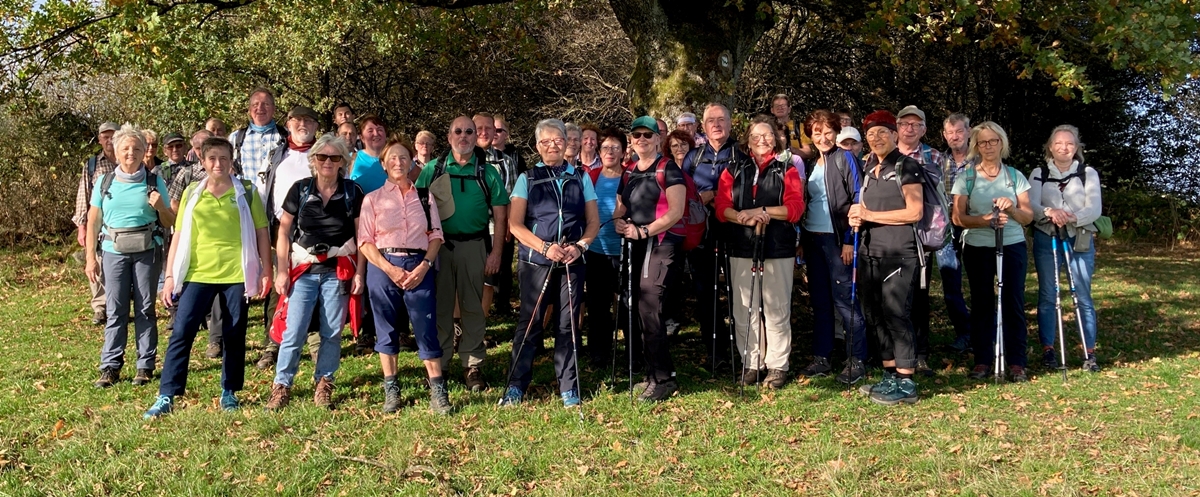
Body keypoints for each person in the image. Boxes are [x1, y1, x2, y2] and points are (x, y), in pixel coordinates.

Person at [144, 136, 272, 419]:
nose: (218, 164)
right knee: (182, 332)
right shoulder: (192, 192)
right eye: (212, 158)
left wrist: (267, 270)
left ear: (231, 161)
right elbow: (177, 235)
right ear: (202, 161)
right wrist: (169, 276)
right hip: (197, 273)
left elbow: (262, 232)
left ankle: (230, 390)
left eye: (224, 159)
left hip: (236, 273)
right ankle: (167, 394)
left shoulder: (247, 191)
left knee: (234, 333)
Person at [500, 118, 600, 407]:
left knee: (568, 325)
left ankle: (568, 386)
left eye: (558, 140)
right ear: (537, 146)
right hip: (536, 262)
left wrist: (580, 247)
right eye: (546, 141)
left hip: (572, 261)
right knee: (530, 323)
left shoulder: (580, 177)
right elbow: (516, 225)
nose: (553, 145)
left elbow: (593, 222)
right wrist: (545, 247)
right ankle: (516, 384)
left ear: (566, 142)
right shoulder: (527, 178)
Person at [264, 134, 364, 411]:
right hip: (304, 270)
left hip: (338, 271)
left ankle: (324, 383)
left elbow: (362, 236)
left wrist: (360, 274)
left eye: (334, 157)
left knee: (331, 332)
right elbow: (283, 231)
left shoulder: (353, 192)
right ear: (313, 160)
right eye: (322, 157)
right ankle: (282, 385)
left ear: (343, 161)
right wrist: (281, 270)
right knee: (294, 329)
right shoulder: (300, 189)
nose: (328, 162)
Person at [414, 116, 510, 391]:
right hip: (440, 248)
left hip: (475, 246)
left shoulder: (487, 172)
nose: (464, 136)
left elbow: (501, 216)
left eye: (470, 131)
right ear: (448, 137)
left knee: (473, 308)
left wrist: (496, 254)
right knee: (441, 308)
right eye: (458, 131)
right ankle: (440, 365)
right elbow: (417, 208)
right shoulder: (433, 168)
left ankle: (473, 365)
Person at [359, 136, 449, 413]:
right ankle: (392, 390)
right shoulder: (372, 199)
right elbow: (365, 241)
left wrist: (424, 265)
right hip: (383, 266)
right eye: (392, 159)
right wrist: (389, 269)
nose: (398, 162)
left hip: (419, 265)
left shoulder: (425, 196)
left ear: (411, 162)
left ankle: (438, 391)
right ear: (384, 164)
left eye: (403, 158)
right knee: (386, 328)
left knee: (425, 326)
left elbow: (435, 235)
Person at [715, 116, 805, 389]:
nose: (762, 140)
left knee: (776, 308)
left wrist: (764, 212)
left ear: (776, 139)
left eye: (767, 135)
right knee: (745, 308)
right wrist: (740, 217)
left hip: (777, 247)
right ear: (747, 141)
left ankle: (778, 365)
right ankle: (751, 362)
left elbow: (795, 208)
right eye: (756, 136)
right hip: (741, 245)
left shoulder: (786, 167)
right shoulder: (733, 168)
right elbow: (721, 206)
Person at [87, 124, 176, 388]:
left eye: (137, 148)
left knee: (145, 308)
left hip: (147, 251)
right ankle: (110, 366)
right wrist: (90, 257)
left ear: (144, 152)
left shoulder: (154, 180)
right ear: (115, 150)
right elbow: (93, 221)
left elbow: (170, 220)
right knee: (115, 310)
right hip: (113, 252)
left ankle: (145, 365)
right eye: (125, 148)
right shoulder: (104, 182)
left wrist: (161, 206)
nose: (131, 153)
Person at [848, 110, 924, 406]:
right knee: (874, 315)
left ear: (895, 135)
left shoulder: (907, 166)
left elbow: (914, 212)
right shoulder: (869, 167)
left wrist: (869, 215)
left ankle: (907, 383)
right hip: (870, 251)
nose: (876, 138)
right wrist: (858, 216)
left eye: (882, 132)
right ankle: (890, 374)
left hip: (899, 253)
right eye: (870, 134)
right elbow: (865, 207)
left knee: (896, 314)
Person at [950, 121, 1034, 383]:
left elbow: (1028, 217)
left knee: (1012, 301)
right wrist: (986, 220)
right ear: (976, 146)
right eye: (983, 142)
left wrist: (1010, 209)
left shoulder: (1014, 176)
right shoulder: (967, 177)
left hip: (1012, 246)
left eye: (993, 141)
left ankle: (1017, 361)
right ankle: (983, 359)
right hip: (978, 248)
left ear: (1002, 143)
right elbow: (958, 218)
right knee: (983, 303)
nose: (988, 146)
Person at [611, 115, 684, 402]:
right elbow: (621, 208)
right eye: (636, 135)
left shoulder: (668, 168)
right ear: (631, 140)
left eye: (647, 135)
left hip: (662, 243)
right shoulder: (628, 171)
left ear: (658, 139)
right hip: (637, 244)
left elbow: (676, 211)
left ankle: (663, 378)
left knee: (650, 305)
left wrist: (643, 231)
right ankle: (654, 373)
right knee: (639, 308)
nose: (641, 139)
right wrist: (620, 222)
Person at [799, 110, 867, 384]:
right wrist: (802, 242)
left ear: (837, 132)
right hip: (813, 239)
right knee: (821, 302)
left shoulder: (845, 158)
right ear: (810, 135)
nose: (823, 137)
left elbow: (859, 196)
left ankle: (857, 358)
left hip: (839, 241)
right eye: (817, 132)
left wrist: (850, 240)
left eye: (828, 132)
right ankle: (822, 357)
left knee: (846, 302)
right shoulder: (809, 163)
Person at [1030, 125, 1103, 372]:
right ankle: (1048, 349)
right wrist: (1050, 212)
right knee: (1049, 294)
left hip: (1079, 237)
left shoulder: (1087, 173)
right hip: (1046, 237)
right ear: (1050, 146)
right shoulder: (1039, 172)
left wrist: (1070, 216)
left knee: (1083, 294)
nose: (1064, 147)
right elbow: (1031, 206)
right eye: (1059, 143)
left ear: (1077, 147)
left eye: (1070, 144)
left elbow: (1094, 209)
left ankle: (1089, 352)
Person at [679, 103, 746, 363]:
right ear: (703, 127)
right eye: (711, 121)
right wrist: (700, 196)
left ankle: (743, 349)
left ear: (730, 124)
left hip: (736, 232)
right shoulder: (692, 157)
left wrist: (718, 196)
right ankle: (714, 349)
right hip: (702, 233)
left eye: (721, 120)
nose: (716, 125)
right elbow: (681, 193)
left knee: (738, 291)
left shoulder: (742, 154)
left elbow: (751, 191)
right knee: (705, 291)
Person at [895, 105, 944, 376]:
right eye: (905, 124)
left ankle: (920, 354)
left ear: (924, 129)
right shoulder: (881, 155)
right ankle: (896, 354)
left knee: (920, 296)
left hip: (922, 236)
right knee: (893, 297)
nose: (910, 129)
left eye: (916, 124)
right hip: (889, 235)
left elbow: (945, 195)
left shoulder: (934, 156)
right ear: (897, 127)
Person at [584, 127, 627, 367]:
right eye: (605, 147)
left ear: (623, 152)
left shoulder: (631, 175)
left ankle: (632, 352)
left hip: (624, 250)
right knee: (598, 305)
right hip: (596, 250)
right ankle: (599, 353)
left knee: (628, 305)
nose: (609, 152)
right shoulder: (592, 177)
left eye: (615, 148)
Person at [75, 121, 120, 325]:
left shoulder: (128, 159)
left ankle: (118, 306)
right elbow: (83, 195)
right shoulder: (93, 164)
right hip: (98, 221)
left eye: (113, 135)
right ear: (100, 139)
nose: (109, 140)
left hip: (122, 221)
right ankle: (100, 307)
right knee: (96, 262)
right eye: (105, 136)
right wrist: (82, 226)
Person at [940, 113, 975, 353]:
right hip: (946, 229)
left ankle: (985, 332)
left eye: (959, 131)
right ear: (944, 135)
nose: (955, 137)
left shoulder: (981, 161)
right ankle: (964, 333)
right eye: (950, 133)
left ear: (969, 132)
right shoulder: (938, 161)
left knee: (979, 283)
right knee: (951, 283)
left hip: (975, 227)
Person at [475, 113, 515, 319]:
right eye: (478, 128)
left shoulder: (505, 162)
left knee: (488, 280)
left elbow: (510, 197)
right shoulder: (452, 160)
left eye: (488, 128)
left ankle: (478, 330)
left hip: (493, 229)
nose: (484, 132)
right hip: (463, 232)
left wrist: (508, 225)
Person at [229, 88, 288, 199]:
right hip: (246, 202)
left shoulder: (287, 136)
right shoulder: (235, 138)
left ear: (274, 109)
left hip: (278, 202)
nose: (260, 108)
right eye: (255, 104)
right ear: (249, 109)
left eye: (266, 104)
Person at [347, 114, 389, 194]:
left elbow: (419, 182)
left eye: (379, 129)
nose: (376, 134)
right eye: (370, 131)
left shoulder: (398, 158)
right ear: (362, 137)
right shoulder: (350, 159)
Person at [770, 94, 813, 159]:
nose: (780, 108)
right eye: (777, 106)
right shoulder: (768, 127)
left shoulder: (799, 127)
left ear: (789, 109)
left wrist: (794, 151)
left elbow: (809, 152)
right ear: (772, 110)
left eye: (783, 105)